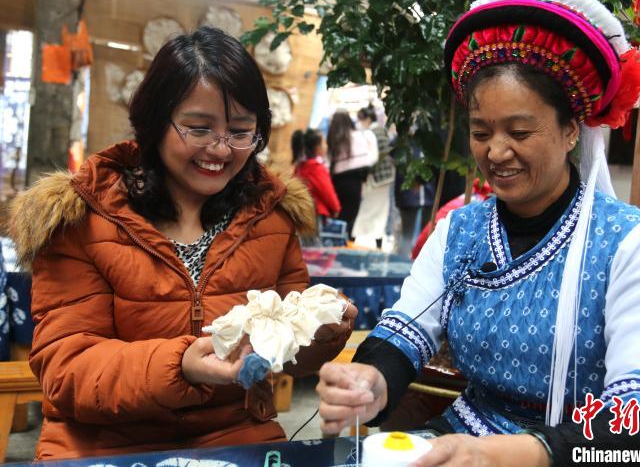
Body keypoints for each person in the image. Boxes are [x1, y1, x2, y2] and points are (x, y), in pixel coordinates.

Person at [316, 0, 640, 466]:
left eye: (519, 131)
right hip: (462, 441)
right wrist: (369, 382)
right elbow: (404, 332)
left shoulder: (632, 243)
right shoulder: (459, 231)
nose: (496, 152)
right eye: (480, 132)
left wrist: (509, 454)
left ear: (569, 131)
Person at [8, 26, 356, 460]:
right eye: (198, 128)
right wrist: (181, 365)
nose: (221, 149)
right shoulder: (82, 217)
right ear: (155, 122)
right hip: (104, 443)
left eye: (241, 131)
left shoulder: (270, 216)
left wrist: (321, 328)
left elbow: (283, 349)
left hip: (233, 434)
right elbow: (67, 369)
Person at [327, 110, 378, 240]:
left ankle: (333, 242)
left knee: (338, 216)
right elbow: (369, 160)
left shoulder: (332, 138)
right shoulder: (357, 136)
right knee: (350, 218)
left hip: (336, 182)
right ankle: (345, 243)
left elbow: (328, 163)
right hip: (354, 182)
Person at [352, 105, 395, 249]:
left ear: (368, 119)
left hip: (374, 178)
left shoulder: (369, 134)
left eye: (361, 120)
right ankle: (378, 243)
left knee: (366, 210)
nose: (360, 123)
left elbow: (369, 159)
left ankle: (353, 237)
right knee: (381, 211)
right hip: (386, 176)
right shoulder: (383, 130)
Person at [291, 128, 341, 221]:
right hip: (316, 212)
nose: (326, 145)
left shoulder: (300, 166)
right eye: (324, 142)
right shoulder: (316, 168)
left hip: (303, 212)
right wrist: (336, 208)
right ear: (317, 148)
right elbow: (327, 191)